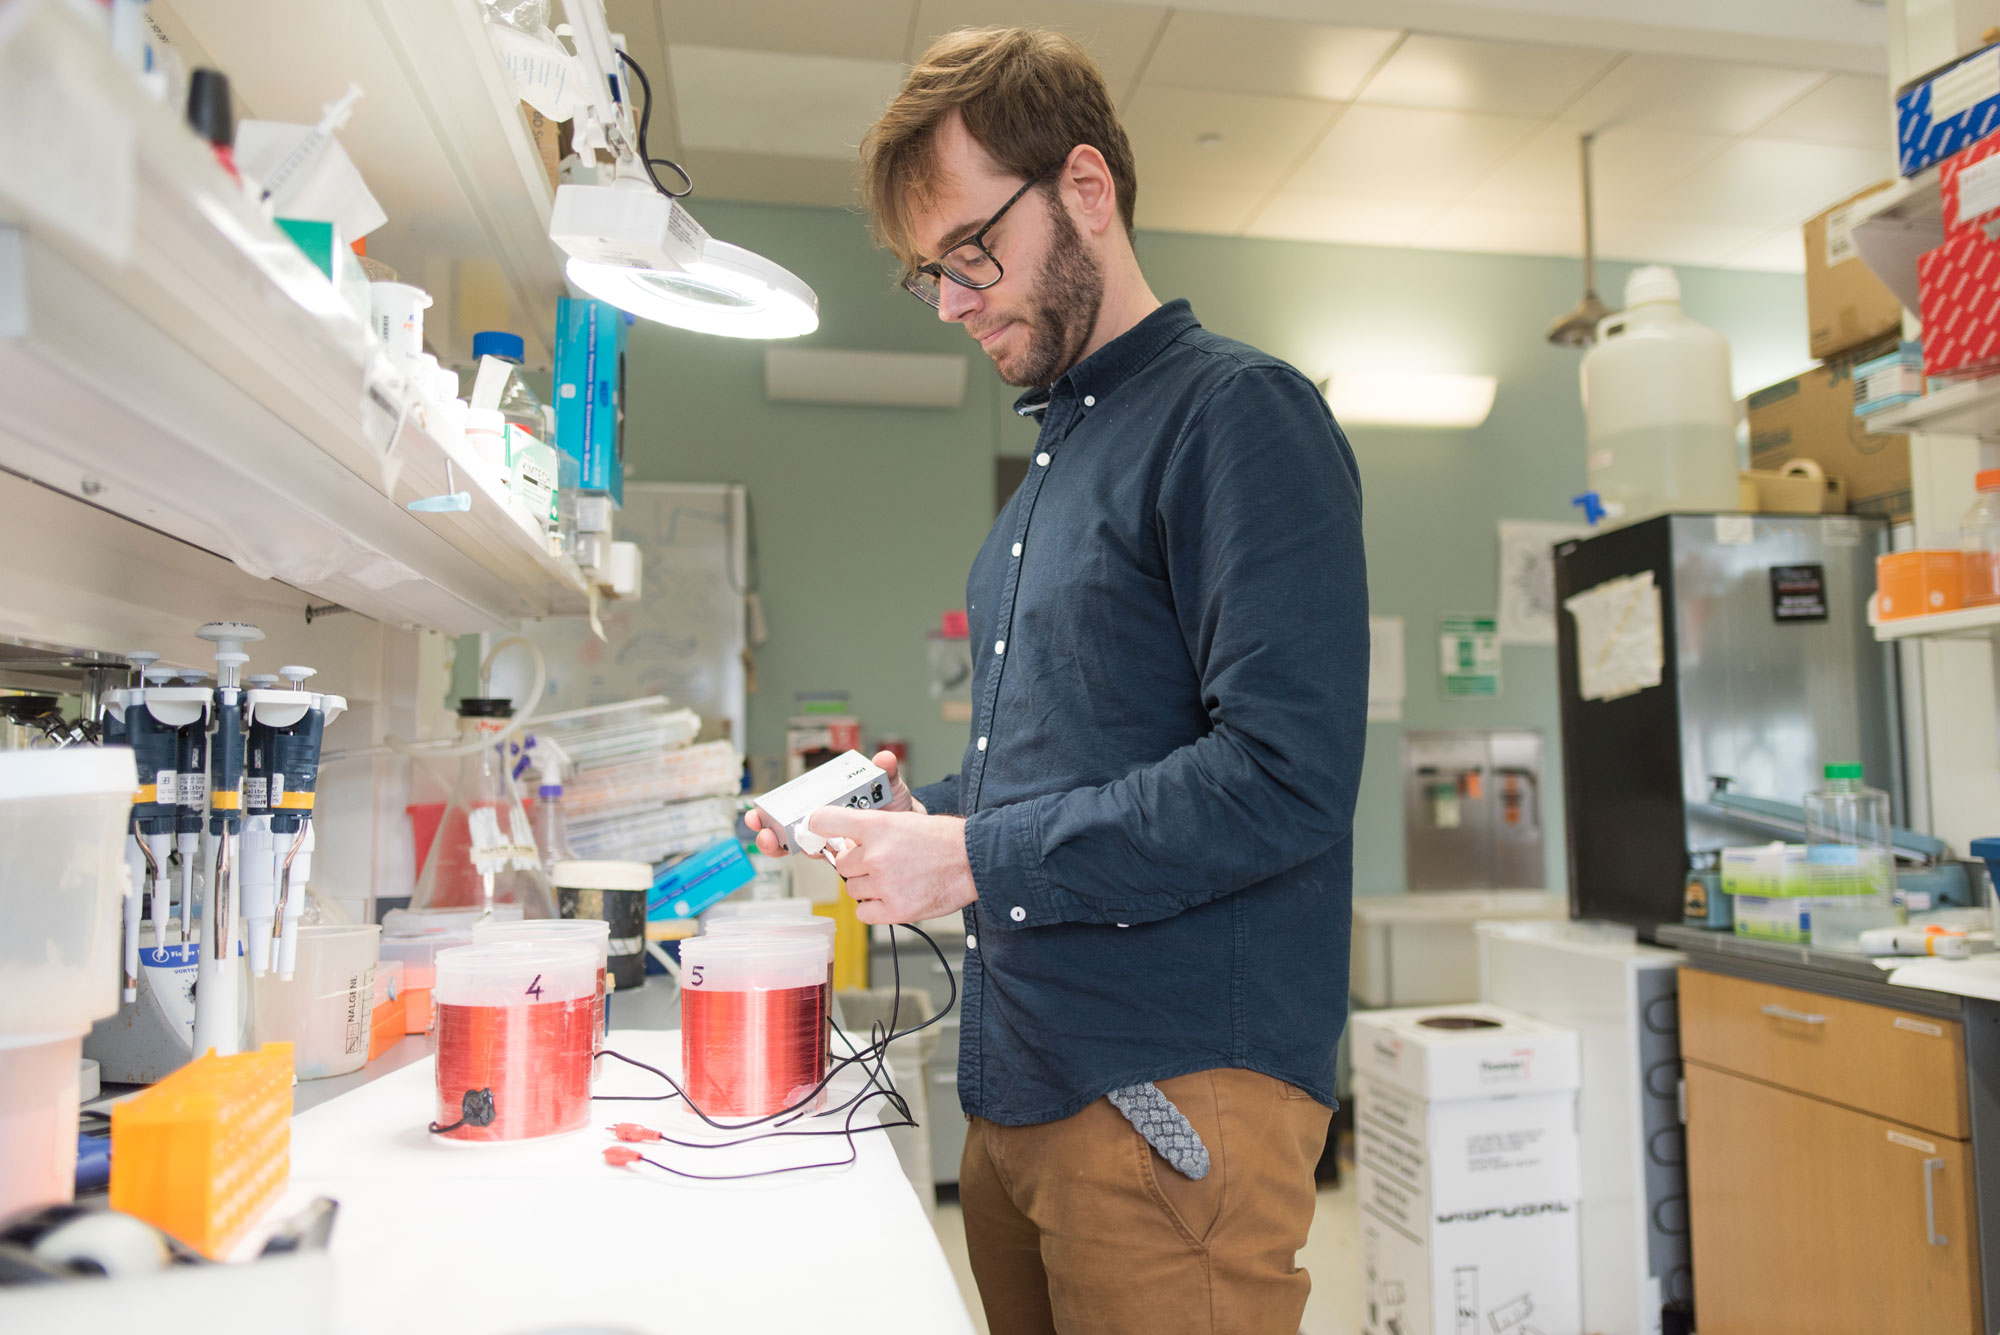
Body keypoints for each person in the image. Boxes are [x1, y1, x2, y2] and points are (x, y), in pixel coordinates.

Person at [744, 26, 1367, 1335]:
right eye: (932, 278)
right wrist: (918, 822)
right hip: (1020, 1093)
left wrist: (970, 859)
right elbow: (1065, 763)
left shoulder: (1235, 418)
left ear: (1088, 189)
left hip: (1169, 1101)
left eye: (974, 254)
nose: (959, 300)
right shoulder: (1051, 474)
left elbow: (1283, 779)